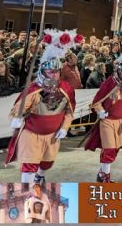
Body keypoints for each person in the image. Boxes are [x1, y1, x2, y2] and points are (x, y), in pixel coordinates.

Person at [6, 29, 78, 185]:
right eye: (50, 72)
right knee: (29, 164)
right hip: (32, 132)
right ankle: (27, 190)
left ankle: (40, 176)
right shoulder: (34, 88)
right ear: (43, 72)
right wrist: (16, 118)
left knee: (47, 163)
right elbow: (20, 107)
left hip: (52, 134)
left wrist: (65, 127)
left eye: (56, 72)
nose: (54, 75)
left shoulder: (66, 89)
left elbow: (69, 111)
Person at [84, 49, 122, 182]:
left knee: (116, 149)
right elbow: (96, 101)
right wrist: (100, 111)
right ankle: (106, 178)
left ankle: (102, 172)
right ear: (118, 70)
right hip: (108, 120)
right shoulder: (109, 83)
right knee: (109, 149)